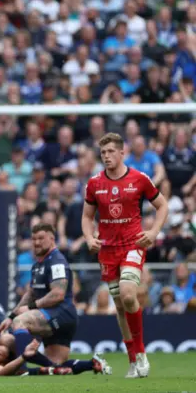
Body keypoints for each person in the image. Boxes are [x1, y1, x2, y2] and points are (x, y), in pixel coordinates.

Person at [82, 132, 168, 378]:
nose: (106, 156)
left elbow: (162, 206)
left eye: (111, 152)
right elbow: (87, 217)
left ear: (122, 153)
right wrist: (89, 238)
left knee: (129, 293)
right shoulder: (94, 183)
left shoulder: (140, 179)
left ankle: (141, 353)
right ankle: (133, 359)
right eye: (103, 153)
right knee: (120, 305)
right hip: (108, 250)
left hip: (133, 244)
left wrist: (153, 232)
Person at [0, 223, 78, 365]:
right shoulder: (38, 265)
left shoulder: (56, 261)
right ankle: (92, 364)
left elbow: (58, 294)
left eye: (41, 238)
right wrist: (11, 316)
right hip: (51, 316)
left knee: (20, 322)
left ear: (52, 239)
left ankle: (22, 368)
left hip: (61, 313)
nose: (36, 242)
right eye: (34, 239)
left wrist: (30, 307)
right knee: (55, 365)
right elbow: (31, 293)